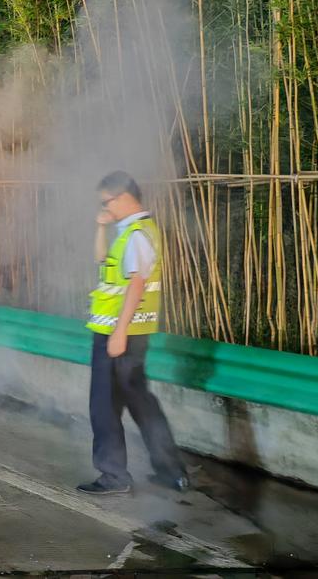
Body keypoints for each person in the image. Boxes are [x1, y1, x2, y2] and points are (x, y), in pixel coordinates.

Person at [79, 171, 188, 495]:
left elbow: (136, 285)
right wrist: (101, 226)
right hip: (129, 333)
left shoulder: (137, 235)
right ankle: (172, 472)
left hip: (118, 333)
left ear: (123, 197)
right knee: (140, 401)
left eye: (106, 203)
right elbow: (101, 260)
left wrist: (118, 333)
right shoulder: (131, 232)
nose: (105, 208)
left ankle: (113, 476)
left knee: (104, 406)